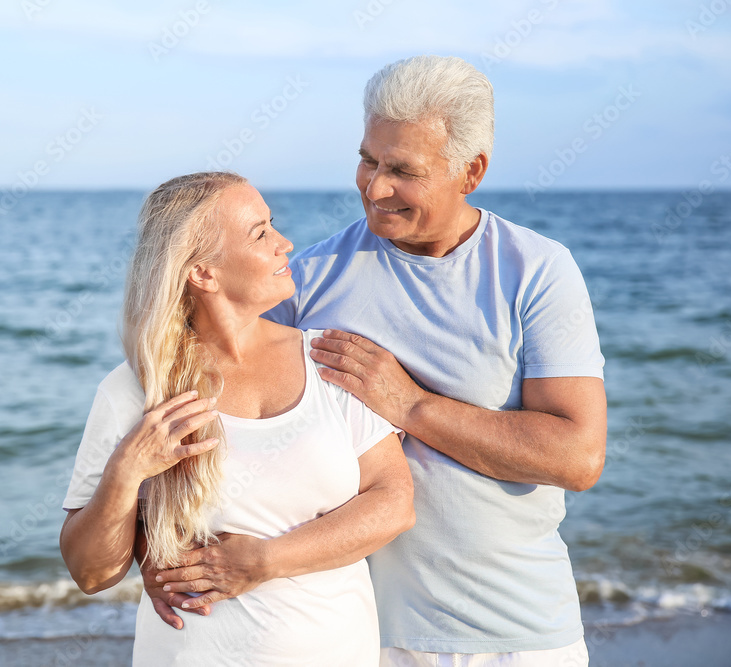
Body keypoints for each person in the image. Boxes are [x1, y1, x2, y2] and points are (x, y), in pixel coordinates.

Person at [150, 56, 606, 666]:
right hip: (357, 635)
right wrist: (157, 548)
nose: (376, 186)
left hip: (518, 634)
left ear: (470, 171)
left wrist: (408, 403)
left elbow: (576, 457)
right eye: (368, 159)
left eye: (403, 170)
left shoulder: (537, 272)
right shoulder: (308, 281)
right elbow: (216, 413)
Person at [58, 171, 414, 666]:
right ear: (203, 272)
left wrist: (262, 563)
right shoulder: (135, 389)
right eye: (259, 233)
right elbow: (91, 573)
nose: (284, 243)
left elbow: (394, 503)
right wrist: (127, 470)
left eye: (273, 224)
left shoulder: (328, 359)